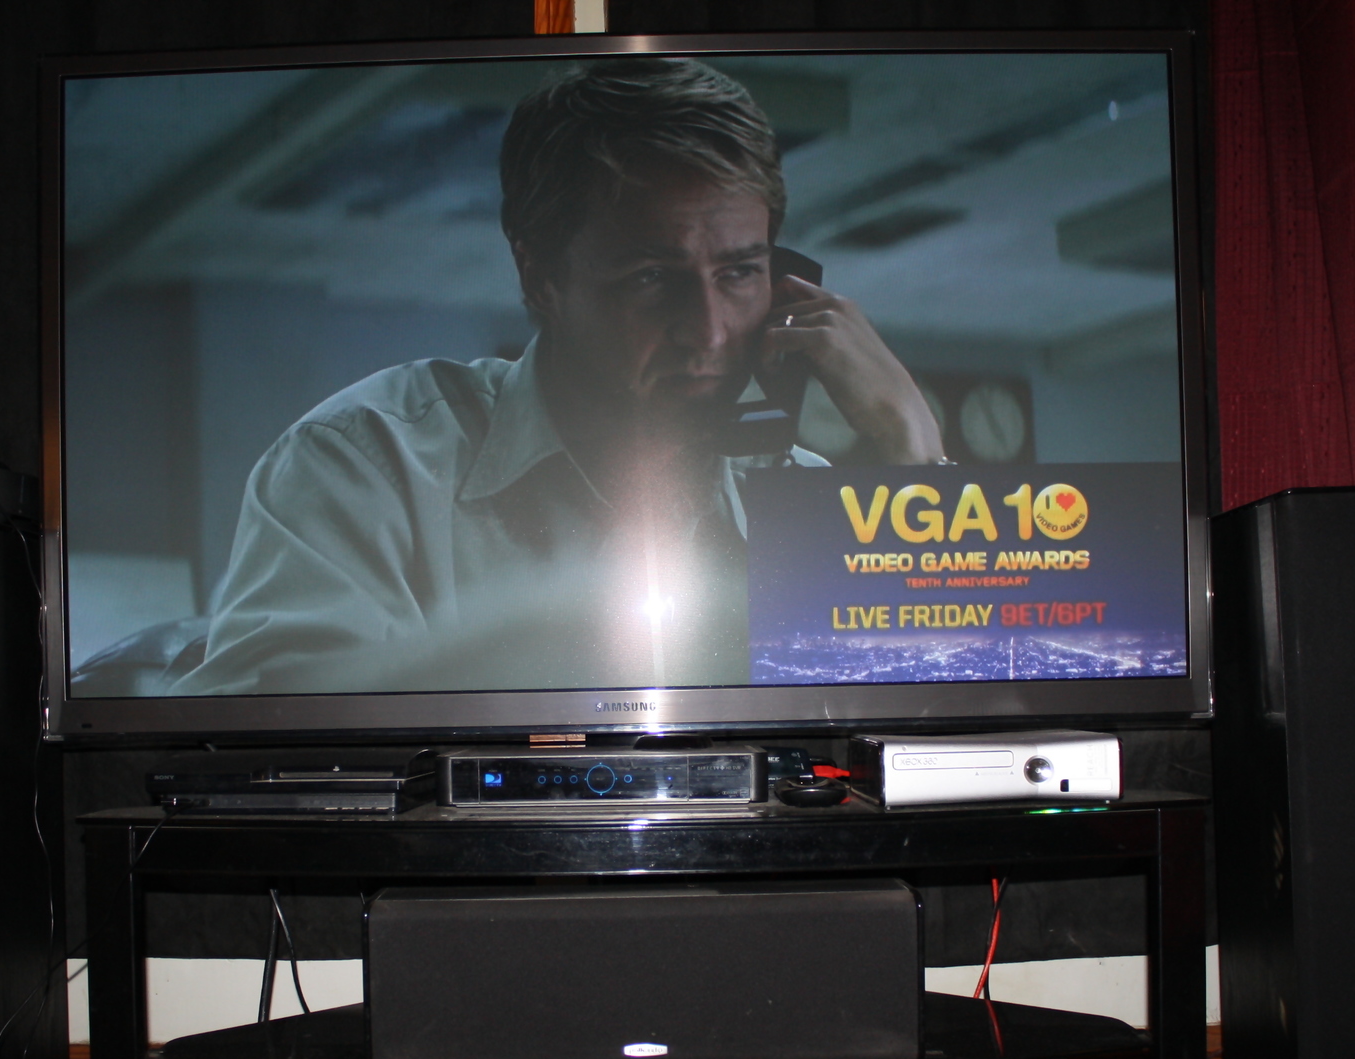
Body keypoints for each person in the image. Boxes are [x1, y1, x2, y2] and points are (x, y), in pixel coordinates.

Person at [170, 58, 944, 696]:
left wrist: (911, 455)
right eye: (651, 279)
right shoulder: (367, 465)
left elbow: (931, 733)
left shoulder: (803, 496)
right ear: (539, 275)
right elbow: (259, 754)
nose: (709, 332)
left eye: (740, 272)